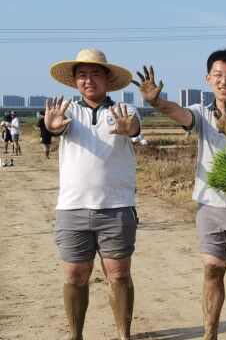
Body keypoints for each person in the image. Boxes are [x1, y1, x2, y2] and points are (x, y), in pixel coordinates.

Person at [131, 49, 226, 340]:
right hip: (209, 203)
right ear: (208, 79)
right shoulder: (201, 112)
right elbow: (177, 113)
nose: (224, 80)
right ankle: (210, 333)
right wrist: (155, 101)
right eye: (218, 74)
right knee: (212, 269)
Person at [48, 48, 140, 340]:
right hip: (72, 207)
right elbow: (53, 127)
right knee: (75, 275)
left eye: (95, 74)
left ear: (107, 79)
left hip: (116, 206)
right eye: (82, 76)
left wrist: (129, 128)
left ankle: (123, 334)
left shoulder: (125, 110)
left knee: (119, 274)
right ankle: (75, 334)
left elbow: (134, 128)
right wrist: (51, 127)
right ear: (75, 81)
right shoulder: (68, 112)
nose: (89, 81)